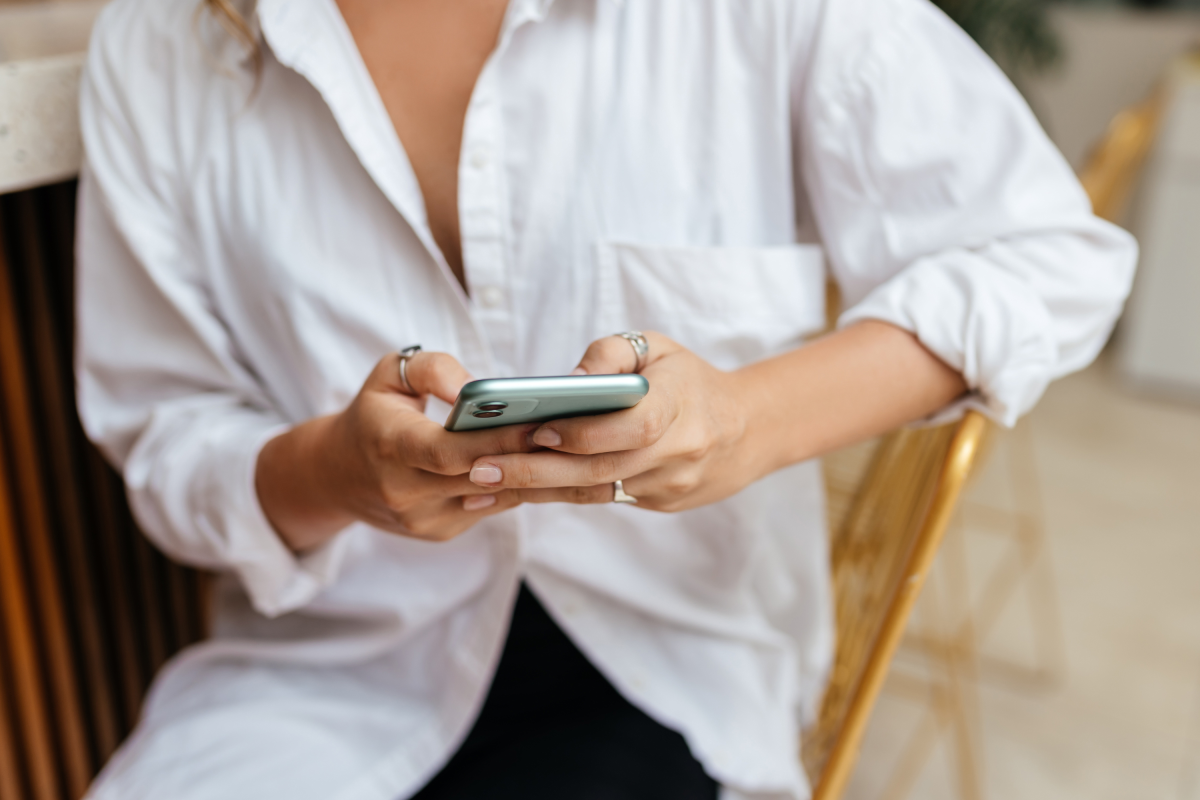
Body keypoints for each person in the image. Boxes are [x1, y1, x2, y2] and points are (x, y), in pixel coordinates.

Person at [75, 0, 1135, 797]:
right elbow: (172, 437)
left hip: (676, 662)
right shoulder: (162, 47)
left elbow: (1043, 255)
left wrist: (747, 419)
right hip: (325, 680)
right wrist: (335, 474)